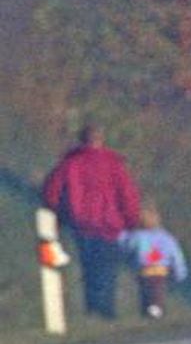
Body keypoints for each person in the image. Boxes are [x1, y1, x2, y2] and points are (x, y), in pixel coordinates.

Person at [41, 124, 142, 319]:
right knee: (108, 268)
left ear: (81, 140)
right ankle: (107, 309)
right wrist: (131, 219)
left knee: (89, 267)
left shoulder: (70, 163)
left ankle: (93, 308)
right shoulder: (114, 164)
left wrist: (57, 213)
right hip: (110, 225)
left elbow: (51, 191)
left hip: (82, 224)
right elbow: (127, 194)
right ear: (101, 140)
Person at [117, 202, 188, 319]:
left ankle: (149, 313)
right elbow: (176, 256)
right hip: (161, 271)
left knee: (146, 293)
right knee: (157, 294)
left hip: (144, 271)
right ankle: (155, 313)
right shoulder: (166, 237)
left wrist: (122, 235)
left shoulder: (137, 236)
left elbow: (126, 245)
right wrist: (180, 273)